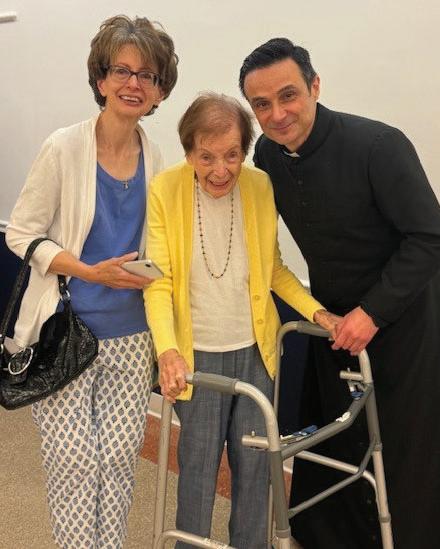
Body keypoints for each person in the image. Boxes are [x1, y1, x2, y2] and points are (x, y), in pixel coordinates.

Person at [239, 38, 440, 549]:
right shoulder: (267, 154)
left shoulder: (379, 145)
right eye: (262, 104)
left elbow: (428, 237)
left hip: (402, 322)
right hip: (330, 324)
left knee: (401, 453)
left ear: (314, 86)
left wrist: (372, 313)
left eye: (288, 95)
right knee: (336, 446)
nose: (277, 114)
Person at [6, 15, 177, 549]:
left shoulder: (157, 158)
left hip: (133, 337)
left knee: (119, 459)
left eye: (147, 75)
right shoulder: (63, 148)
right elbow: (22, 234)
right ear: (101, 79)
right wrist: (88, 271)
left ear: (159, 90)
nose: (134, 83)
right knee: (74, 460)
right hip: (66, 333)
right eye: (122, 71)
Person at [144, 92, 338, 548]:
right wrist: (167, 352)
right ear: (189, 152)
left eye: (232, 155)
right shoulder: (166, 189)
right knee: (197, 469)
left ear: (245, 151)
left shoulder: (259, 186)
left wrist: (316, 311)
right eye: (206, 157)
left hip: (255, 354)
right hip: (197, 358)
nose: (220, 170)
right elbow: (159, 283)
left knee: (255, 469)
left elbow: (273, 270)